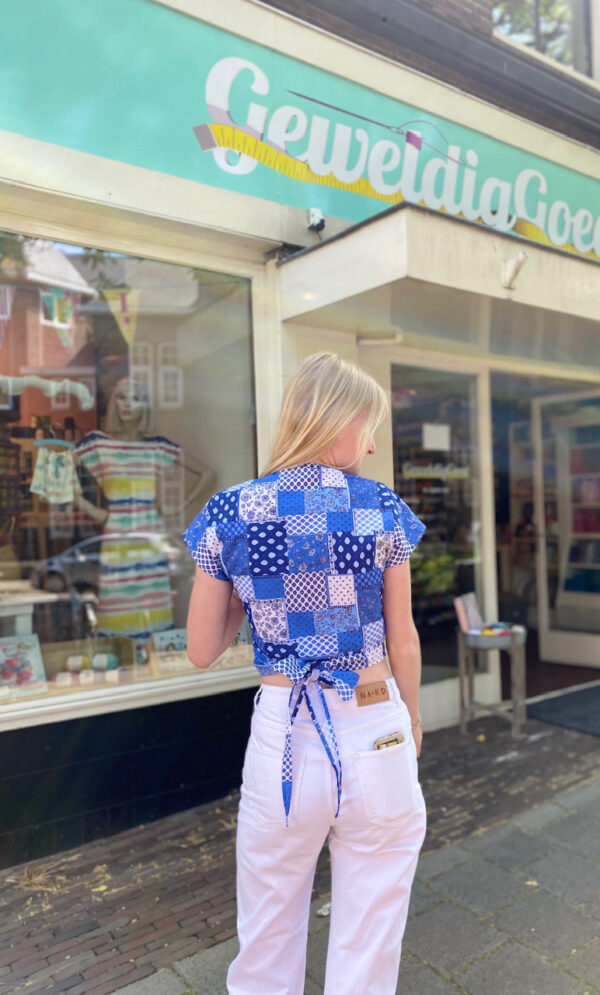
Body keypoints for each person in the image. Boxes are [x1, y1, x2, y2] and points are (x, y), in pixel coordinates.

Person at [183, 353, 427, 995]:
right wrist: (413, 717)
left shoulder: (230, 512)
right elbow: (402, 639)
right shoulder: (382, 508)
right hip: (374, 720)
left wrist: (257, 591)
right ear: (337, 420)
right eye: (369, 426)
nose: (371, 445)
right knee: (371, 933)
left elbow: (201, 649)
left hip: (284, 731)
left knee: (267, 931)